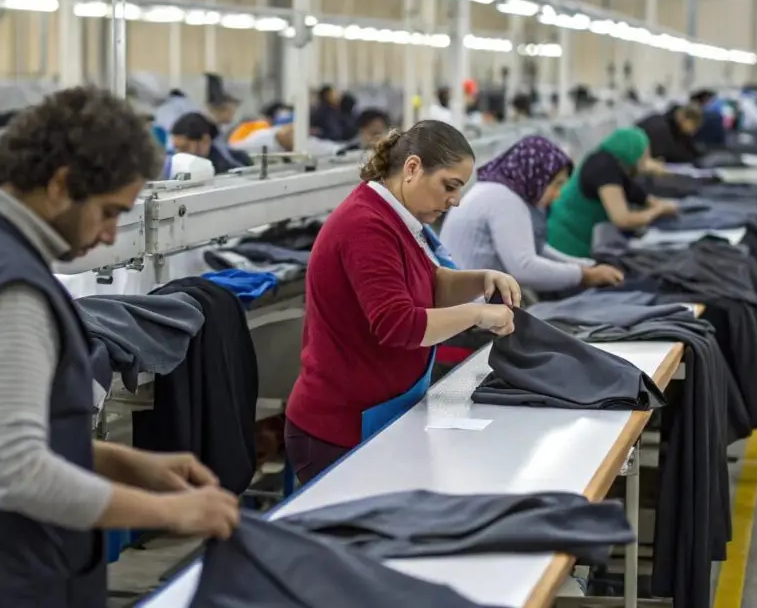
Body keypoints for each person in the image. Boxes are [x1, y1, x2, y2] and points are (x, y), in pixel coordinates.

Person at [0, 87, 240, 608]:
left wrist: (126, 464)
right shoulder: (9, 289)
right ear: (63, 184)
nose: (111, 234)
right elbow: (18, 473)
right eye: (109, 211)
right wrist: (173, 514)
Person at [284, 120, 521, 485]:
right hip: (340, 427)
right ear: (412, 168)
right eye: (449, 186)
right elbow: (399, 325)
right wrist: (477, 313)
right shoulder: (366, 225)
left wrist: (480, 279)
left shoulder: (396, 217)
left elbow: (431, 284)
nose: (455, 200)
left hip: (381, 412)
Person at [440, 136, 624, 294]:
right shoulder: (505, 200)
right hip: (470, 308)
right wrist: (584, 274)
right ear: (536, 175)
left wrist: (587, 266)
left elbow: (535, 248)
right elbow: (524, 267)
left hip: (468, 297)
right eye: (556, 184)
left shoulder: (496, 191)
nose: (558, 193)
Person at [547, 127, 679, 259]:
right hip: (567, 240)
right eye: (643, 154)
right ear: (632, 151)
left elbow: (639, 195)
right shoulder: (603, 168)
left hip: (577, 235)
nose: (645, 159)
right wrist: (658, 210)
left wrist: (660, 204)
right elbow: (622, 220)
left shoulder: (613, 164)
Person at [171, 111, 251, 175]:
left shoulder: (229, 171)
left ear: (205, 141)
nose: (179, 154)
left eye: (185, 148)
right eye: (176, 148)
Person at [635, 103, 704, 164]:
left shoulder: (677, 129)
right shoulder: (661, 129)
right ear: (682, 117)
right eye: (694, 126)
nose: (694, 131)